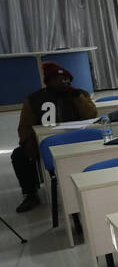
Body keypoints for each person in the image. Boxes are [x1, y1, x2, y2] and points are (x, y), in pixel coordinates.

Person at [11, 62, 99, 212]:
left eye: (66, 79)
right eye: (58, 79)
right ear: (49, 81)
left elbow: (91, 115)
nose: (63, 82)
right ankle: (31, 194)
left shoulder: (79, 94)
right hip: (45, 143)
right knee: (19, 155)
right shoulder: (34, 99)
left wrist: (76, 96)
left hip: (76, 140)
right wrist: (27, 142)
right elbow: (25, 126)